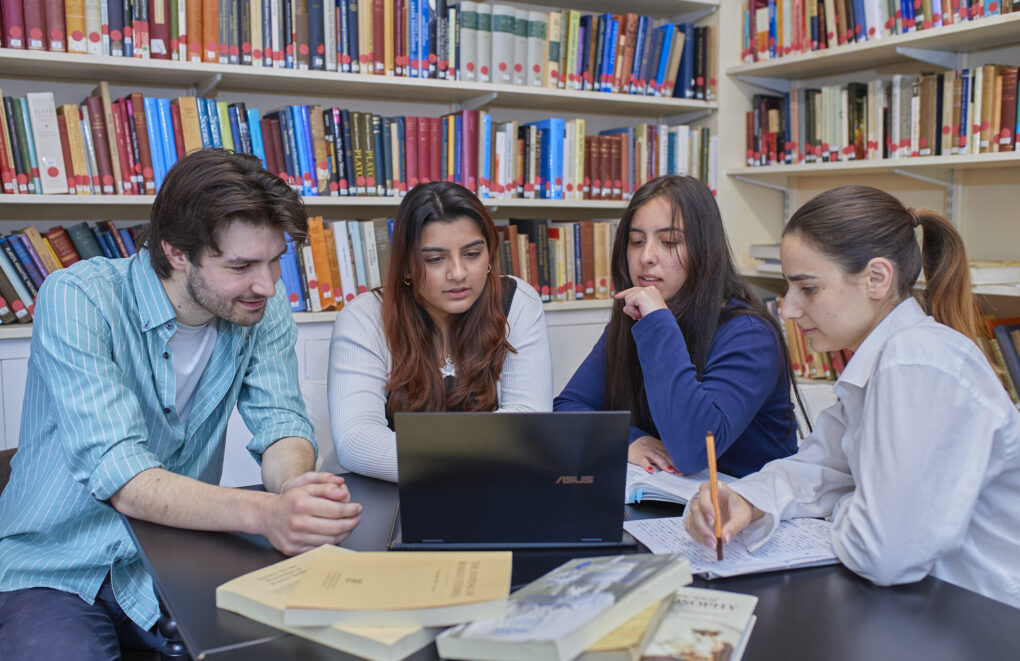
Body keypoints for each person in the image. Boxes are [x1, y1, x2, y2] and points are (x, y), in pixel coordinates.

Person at [0, 149, 363, 659]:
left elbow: (281, 421)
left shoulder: (260, 304)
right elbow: (125, 478)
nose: (268, 284)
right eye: (241, 265)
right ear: (175, 252)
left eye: (275, 259)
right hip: (54, 565)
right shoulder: (78, 297)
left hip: (171, 557)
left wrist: (294, 489)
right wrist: (268, 512)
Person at [685, 185, 1020, 609]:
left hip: (987, 615)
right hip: (936, 604)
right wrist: (746, 500)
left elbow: (885, 555)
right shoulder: (882, 360)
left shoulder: (916, 359)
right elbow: (817, 466)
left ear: (876, 279)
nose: (786, 309)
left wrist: (847, 502)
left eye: (807, 289)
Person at [554, 175, 797, 478]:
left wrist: (658, 324)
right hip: (672, 505)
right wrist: (628, 440)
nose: (645, 257)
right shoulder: (635, 318)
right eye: (636, 241)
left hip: (751, 513)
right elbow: (568, 408)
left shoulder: (750, 334)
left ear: (703, 250)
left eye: (669, 242)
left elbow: (694, 449)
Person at [328, 181, 552, 482]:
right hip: (394, 493)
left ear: (490, 254)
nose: (458, 273)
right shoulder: (365, 318)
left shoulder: (517, 302)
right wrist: (469, 460)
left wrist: (439, 459)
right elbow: (356, 440)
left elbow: (528, 420)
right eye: (435, 259)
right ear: (407, 265)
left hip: (489, 487)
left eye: (472, 254)